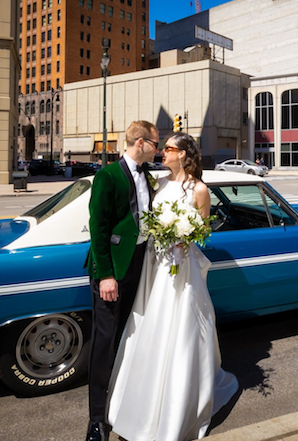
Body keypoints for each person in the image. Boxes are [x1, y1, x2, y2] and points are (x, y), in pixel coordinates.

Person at [107, 133, 239, 441]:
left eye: (167, 148)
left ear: (183, 154)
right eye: (162, 147)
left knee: (180, 328)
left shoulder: (199, 189)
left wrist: (186, 235)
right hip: (154, 264)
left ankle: (177, 404)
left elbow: (204, 229)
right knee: (147, 323)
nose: (161, 152)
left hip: (180, 268)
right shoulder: (158, 183)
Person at [85, 120, 160, 441]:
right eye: (156, 144)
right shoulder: (108, 175)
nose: (157, 149)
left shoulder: (149, 176)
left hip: (140, 266)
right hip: (113, 272)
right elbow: (98, 229)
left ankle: (124, 402)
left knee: (131, 336)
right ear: (141, 142)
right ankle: (97, 419)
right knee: (105, 341)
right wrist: (105, 276)